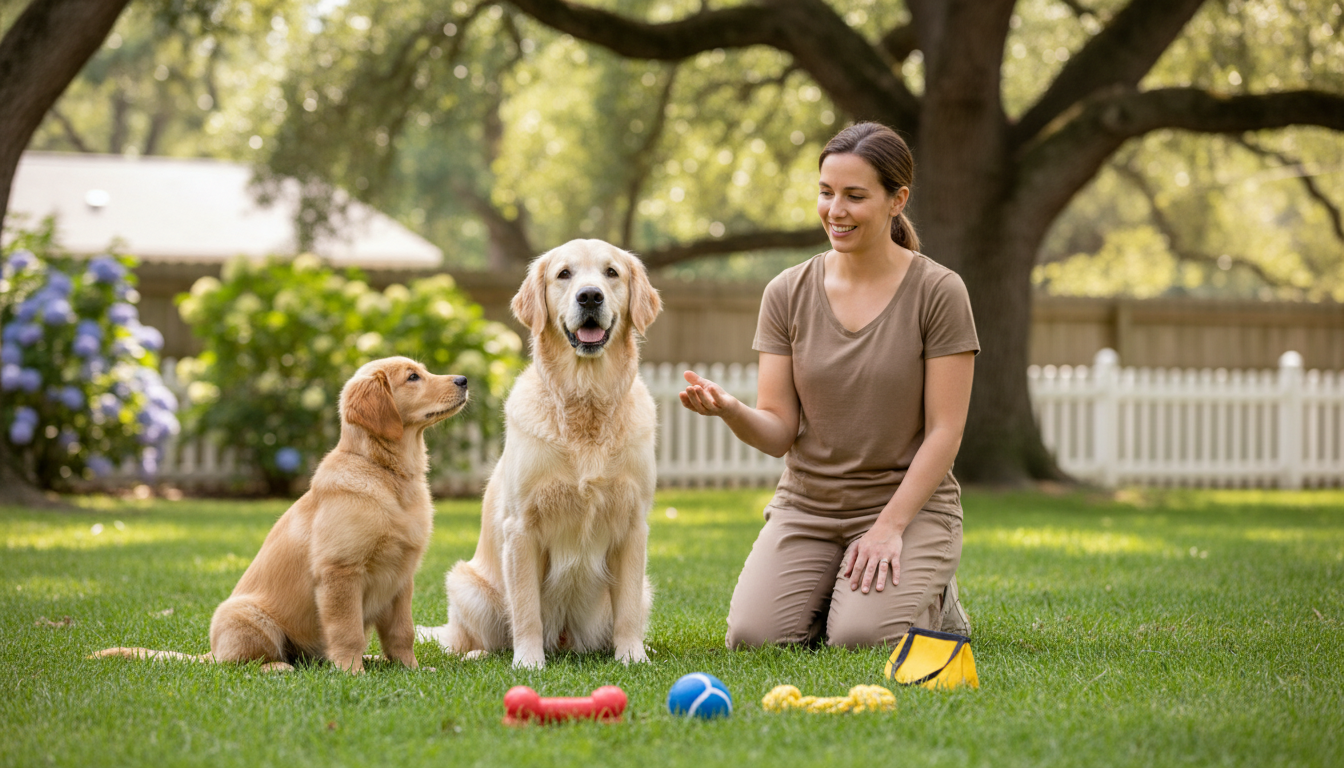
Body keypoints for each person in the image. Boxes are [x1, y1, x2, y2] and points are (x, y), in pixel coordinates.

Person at [678, 122, 979, 649]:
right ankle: (839, 592)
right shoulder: (786, 292)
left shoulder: (939, 291)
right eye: (826, 192)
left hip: (905, 508)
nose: (835, 210)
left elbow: (945, 432)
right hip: (808, 508)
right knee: (752, 637)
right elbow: (779, 432)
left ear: (897, 200)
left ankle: (934, 599)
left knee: (859, 638)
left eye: (854, 196)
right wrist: (730, 409)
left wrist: (888, 528)